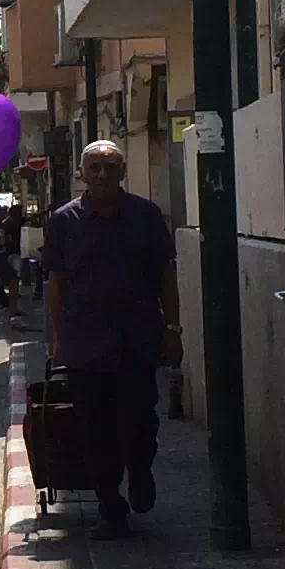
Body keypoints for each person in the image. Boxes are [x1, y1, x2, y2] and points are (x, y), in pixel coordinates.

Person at [41, 140, 183, 540]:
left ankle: (139, 472)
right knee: (96, 430)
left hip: (138, 342)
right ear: (81, 173)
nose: (102, 174)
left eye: (110, 167)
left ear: (122, 172)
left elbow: (165, 279)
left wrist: (173, 329)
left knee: (140, 422)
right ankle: (110, 507)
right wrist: (58, 340)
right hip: (87, 345)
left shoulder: (146, 216)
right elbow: (58, 286)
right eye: (95, 167)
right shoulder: (64, 222)